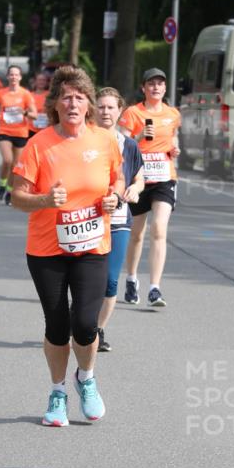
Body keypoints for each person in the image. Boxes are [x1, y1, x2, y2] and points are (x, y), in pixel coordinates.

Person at [12, 65, 124, 427]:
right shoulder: (38, 144)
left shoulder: (105, 140)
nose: (73, 103)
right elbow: (17, 197)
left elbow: (118, 179)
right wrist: (46, 200)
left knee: (86, 323)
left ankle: (86, 378)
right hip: (47, 249)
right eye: (66, 97)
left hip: (93, 245)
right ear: (55, 105)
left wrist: (115, 197)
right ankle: (58, 390)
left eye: (80, 97)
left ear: (88, 104)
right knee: (58, 326)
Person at [118, 67, 181, 307]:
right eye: (151, 83)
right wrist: (141, 134)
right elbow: (122, 146)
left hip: (165, 177)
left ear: (165, 88)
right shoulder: (133, 113)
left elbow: (174, 140)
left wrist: (175, 149)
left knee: (159, 229)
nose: (156, 87)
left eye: (160, 83)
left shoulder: (173, 114)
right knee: (136, 234)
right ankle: (132, 279)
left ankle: (155, 288)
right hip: (138, 178)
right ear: (143, 88)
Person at [94, 88, 145, 352]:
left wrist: (135, 189)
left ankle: (97, 330)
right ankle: (81, 322)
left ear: (120, 111)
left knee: (111, 280)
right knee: (86, 279)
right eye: (101, 107)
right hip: (87, 220)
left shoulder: (129, 145)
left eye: (110, 107)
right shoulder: (84, 140)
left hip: (118, 217)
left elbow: (139, 177)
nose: (105, 112)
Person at [0, 65, 36, 205]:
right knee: (7, 160)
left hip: (21, 133)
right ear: (7, 76)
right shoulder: (1, 93)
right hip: (5, 131)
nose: (14, 77)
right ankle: (2, 185)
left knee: (16, 166)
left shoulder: (25, 94)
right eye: (11, 74)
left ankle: (9, 191)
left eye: (16, 75)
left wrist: (25, 113)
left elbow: (34, 114)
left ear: (20, 77)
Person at [27, 71, 50, 140]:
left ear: (46, 82)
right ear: (35, 81)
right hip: (31, 128)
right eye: (39, 80)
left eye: (44, 80)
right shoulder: (29, 95)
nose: (41, 82)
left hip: (46, 128)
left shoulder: (50, 95)